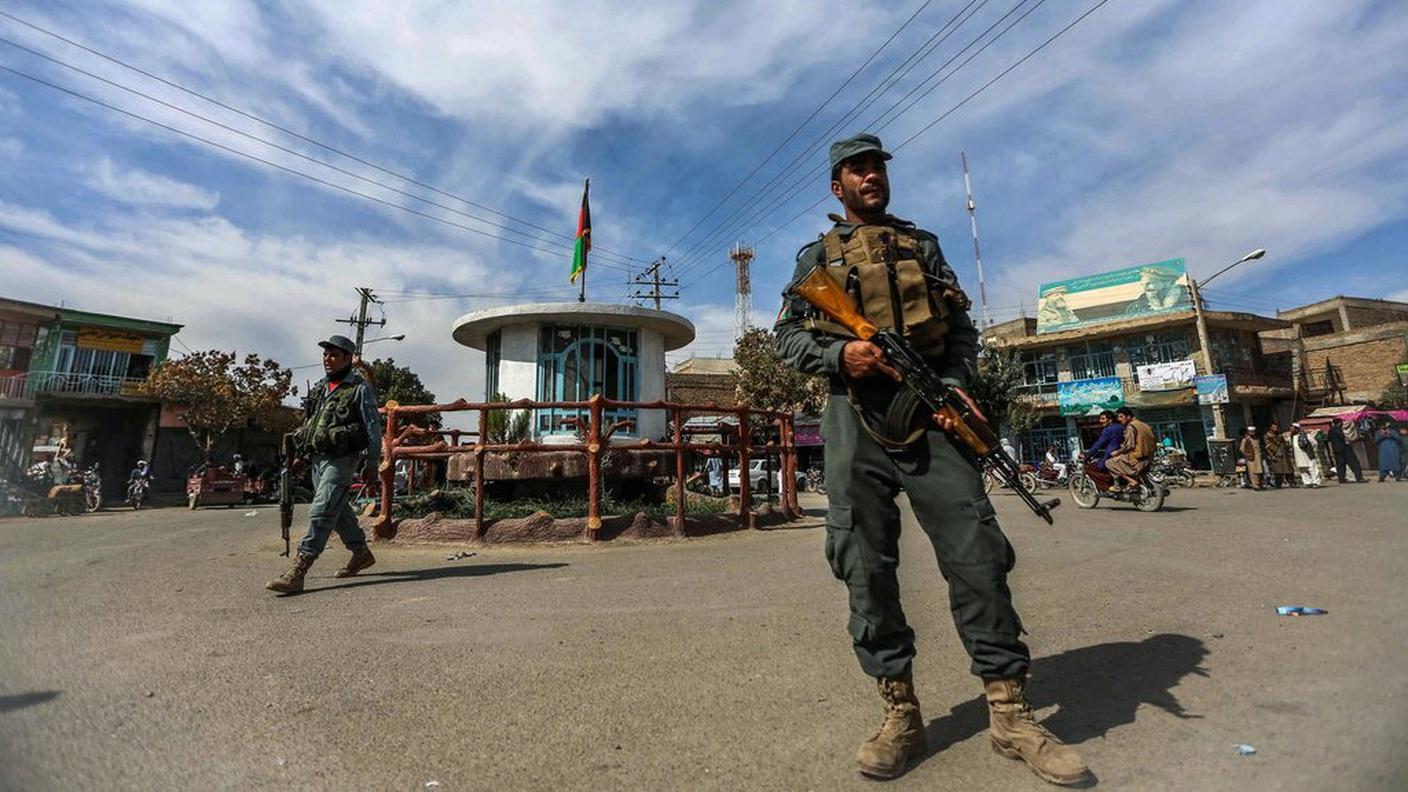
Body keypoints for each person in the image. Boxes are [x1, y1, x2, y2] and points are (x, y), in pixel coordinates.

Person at [773, 133, 1089, 785]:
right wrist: (840, 356)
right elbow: (787, 336)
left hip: (931, 413)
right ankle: (901, 715)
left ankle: (1008, 714)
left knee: (977, 552)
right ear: (838, 186)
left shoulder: (925, 248)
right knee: (864, 562)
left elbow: (962, 332)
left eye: (878, 169)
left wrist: (958, 386)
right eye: (857, 170)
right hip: (853, 416)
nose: (871, 177)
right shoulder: (817, 256)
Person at [266, 335, 383, 593]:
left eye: (333, 355)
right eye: (325, 354)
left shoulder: (359, 390)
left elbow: (374, 430)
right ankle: (361, 553)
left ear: (348, 358)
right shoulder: (321, 388)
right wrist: (302, 457)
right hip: (317, 459)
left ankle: (299, 569)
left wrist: (373, 465)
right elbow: (312, 426)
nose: (327, 359)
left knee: (321, 510)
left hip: (342, 460)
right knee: (338, 511)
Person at [1106, 407, 1156, 492]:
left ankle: (1126, 483)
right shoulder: (1144, 425)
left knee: (1109, 463)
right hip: (1149, 457)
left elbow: (1129, 445)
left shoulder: (1130, 427)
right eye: (1118, 417)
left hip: (1137, 458)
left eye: (1121, 417)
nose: (1119, 419)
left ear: (1128, 416)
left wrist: (1117, 452)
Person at [1328, 419, 1365, 483]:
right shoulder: (1339, 430)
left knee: (1340, 465)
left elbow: (1329, 439)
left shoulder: (1330, 430)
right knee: (1354, 463)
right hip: (1345, 449)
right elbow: (1343, 437)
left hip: (1336, 450)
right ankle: (1359, 478)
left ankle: (1341, 479)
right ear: (1339, 423)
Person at [1289, 423, 1322, 488]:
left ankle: (1316, 482)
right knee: (1302, 469)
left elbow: (1314, 443)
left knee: (1312, 468)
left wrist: (1312, 450)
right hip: (1298, 456)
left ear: (1296, 429)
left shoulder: (1305, 435)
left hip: (1307, 454)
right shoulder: (1292, 437)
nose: (1291, 430)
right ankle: (1307, 482)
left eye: (1292, 428)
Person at [1263, 420, 1293, 488]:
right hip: (1275, 453)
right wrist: (1271, 455)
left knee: (1287, 468)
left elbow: (1284, 443)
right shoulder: (1267, 436)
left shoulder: (1280, 435)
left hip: (1283, 453)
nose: (1275, 429)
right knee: (1278, 470)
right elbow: (1268, 446)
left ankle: (1290, 482)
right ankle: (1278, 483)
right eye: (1273, 427)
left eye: (1276, 427)